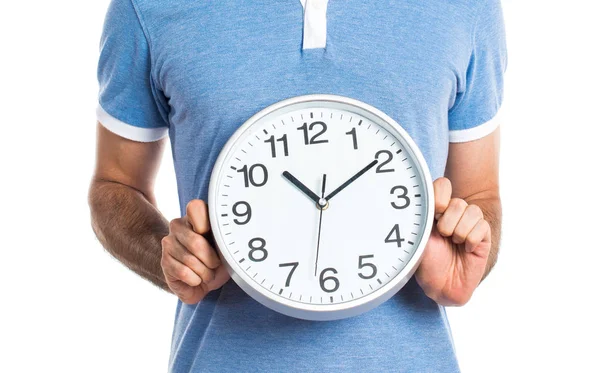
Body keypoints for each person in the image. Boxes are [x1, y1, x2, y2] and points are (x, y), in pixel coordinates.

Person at [89, 0, 506, 371]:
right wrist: (175, 259)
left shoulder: (466, 7)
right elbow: (115, 184)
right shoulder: (145, 7)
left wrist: (466, 257)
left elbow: (480, 195)